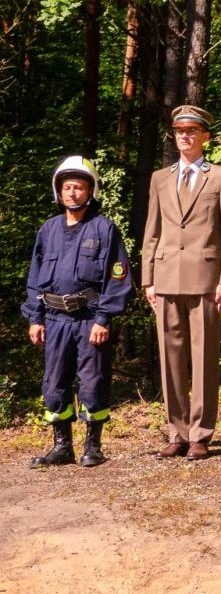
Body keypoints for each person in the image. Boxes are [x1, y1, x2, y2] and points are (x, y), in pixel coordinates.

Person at [142, 104, 221, 460]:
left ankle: (200, 434)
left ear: (205, 137)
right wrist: (147, 280)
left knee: (203, 359)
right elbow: (152, 232)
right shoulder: (160, 178)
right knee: (170, 360)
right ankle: (176, 431)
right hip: (166, 279)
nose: (185, 136)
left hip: (205, 281)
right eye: (180, 131)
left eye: (192, 132)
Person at [22, 157, 133, 468]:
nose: (72, 193)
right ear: (59, 192)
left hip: (89, 319)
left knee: (92, 380)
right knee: (54, 382)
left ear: (90, 191)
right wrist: (35, 317)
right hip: (54, 320)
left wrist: (104, 318)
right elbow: (35, 277)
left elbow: (118, 275)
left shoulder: (104, 228)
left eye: (79, 187)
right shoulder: (48, 230)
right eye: (67, 187)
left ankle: (93, 446)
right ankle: (61, 446)